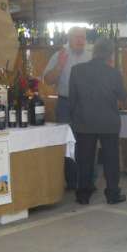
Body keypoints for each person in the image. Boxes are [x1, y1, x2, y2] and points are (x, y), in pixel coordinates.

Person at [69, 38, 127, 205]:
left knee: (84, 159)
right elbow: (123, 97)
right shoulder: (114, 73)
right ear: (110, 54)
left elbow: (72, 100)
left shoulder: (76, 70)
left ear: (94, 52)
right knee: (111, 159)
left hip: (84, 121)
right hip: (108, 122)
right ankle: (112, 194)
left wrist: (76, 118)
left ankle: (83, 195)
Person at [43, 26, 92, 188]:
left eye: (83, 37)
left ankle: (88, 181)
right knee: (68, 142)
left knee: (88, 141)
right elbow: (47, 80)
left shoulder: (91, 56)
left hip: (87, 104)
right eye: (77, 37)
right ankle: (72, 181)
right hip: (66, 104)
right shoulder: (60, 55)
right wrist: (59, 66)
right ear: (69, 39)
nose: (80, 40)